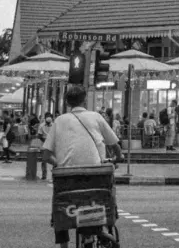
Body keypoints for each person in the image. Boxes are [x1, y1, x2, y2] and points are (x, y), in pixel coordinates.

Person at [41, 85, 121, 248]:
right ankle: (94, 232)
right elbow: (115, 147)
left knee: (59, 202)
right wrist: (116, 158)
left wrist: (60, 164)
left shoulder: (59, 120)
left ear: (67, 102)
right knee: (101, 194)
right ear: (84, 100)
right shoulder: (96, 117)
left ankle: (64, 243)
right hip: (96, 176)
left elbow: (46, 155)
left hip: (66, 179)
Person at [37, 112, 54, 181]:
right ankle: (44, 175)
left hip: (53, 145)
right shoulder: (41, 126)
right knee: (44, 160)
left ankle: (54, 175)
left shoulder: (54, 125)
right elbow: (39, 135)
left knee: (54, 160)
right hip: (44, 145)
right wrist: (45, 140)